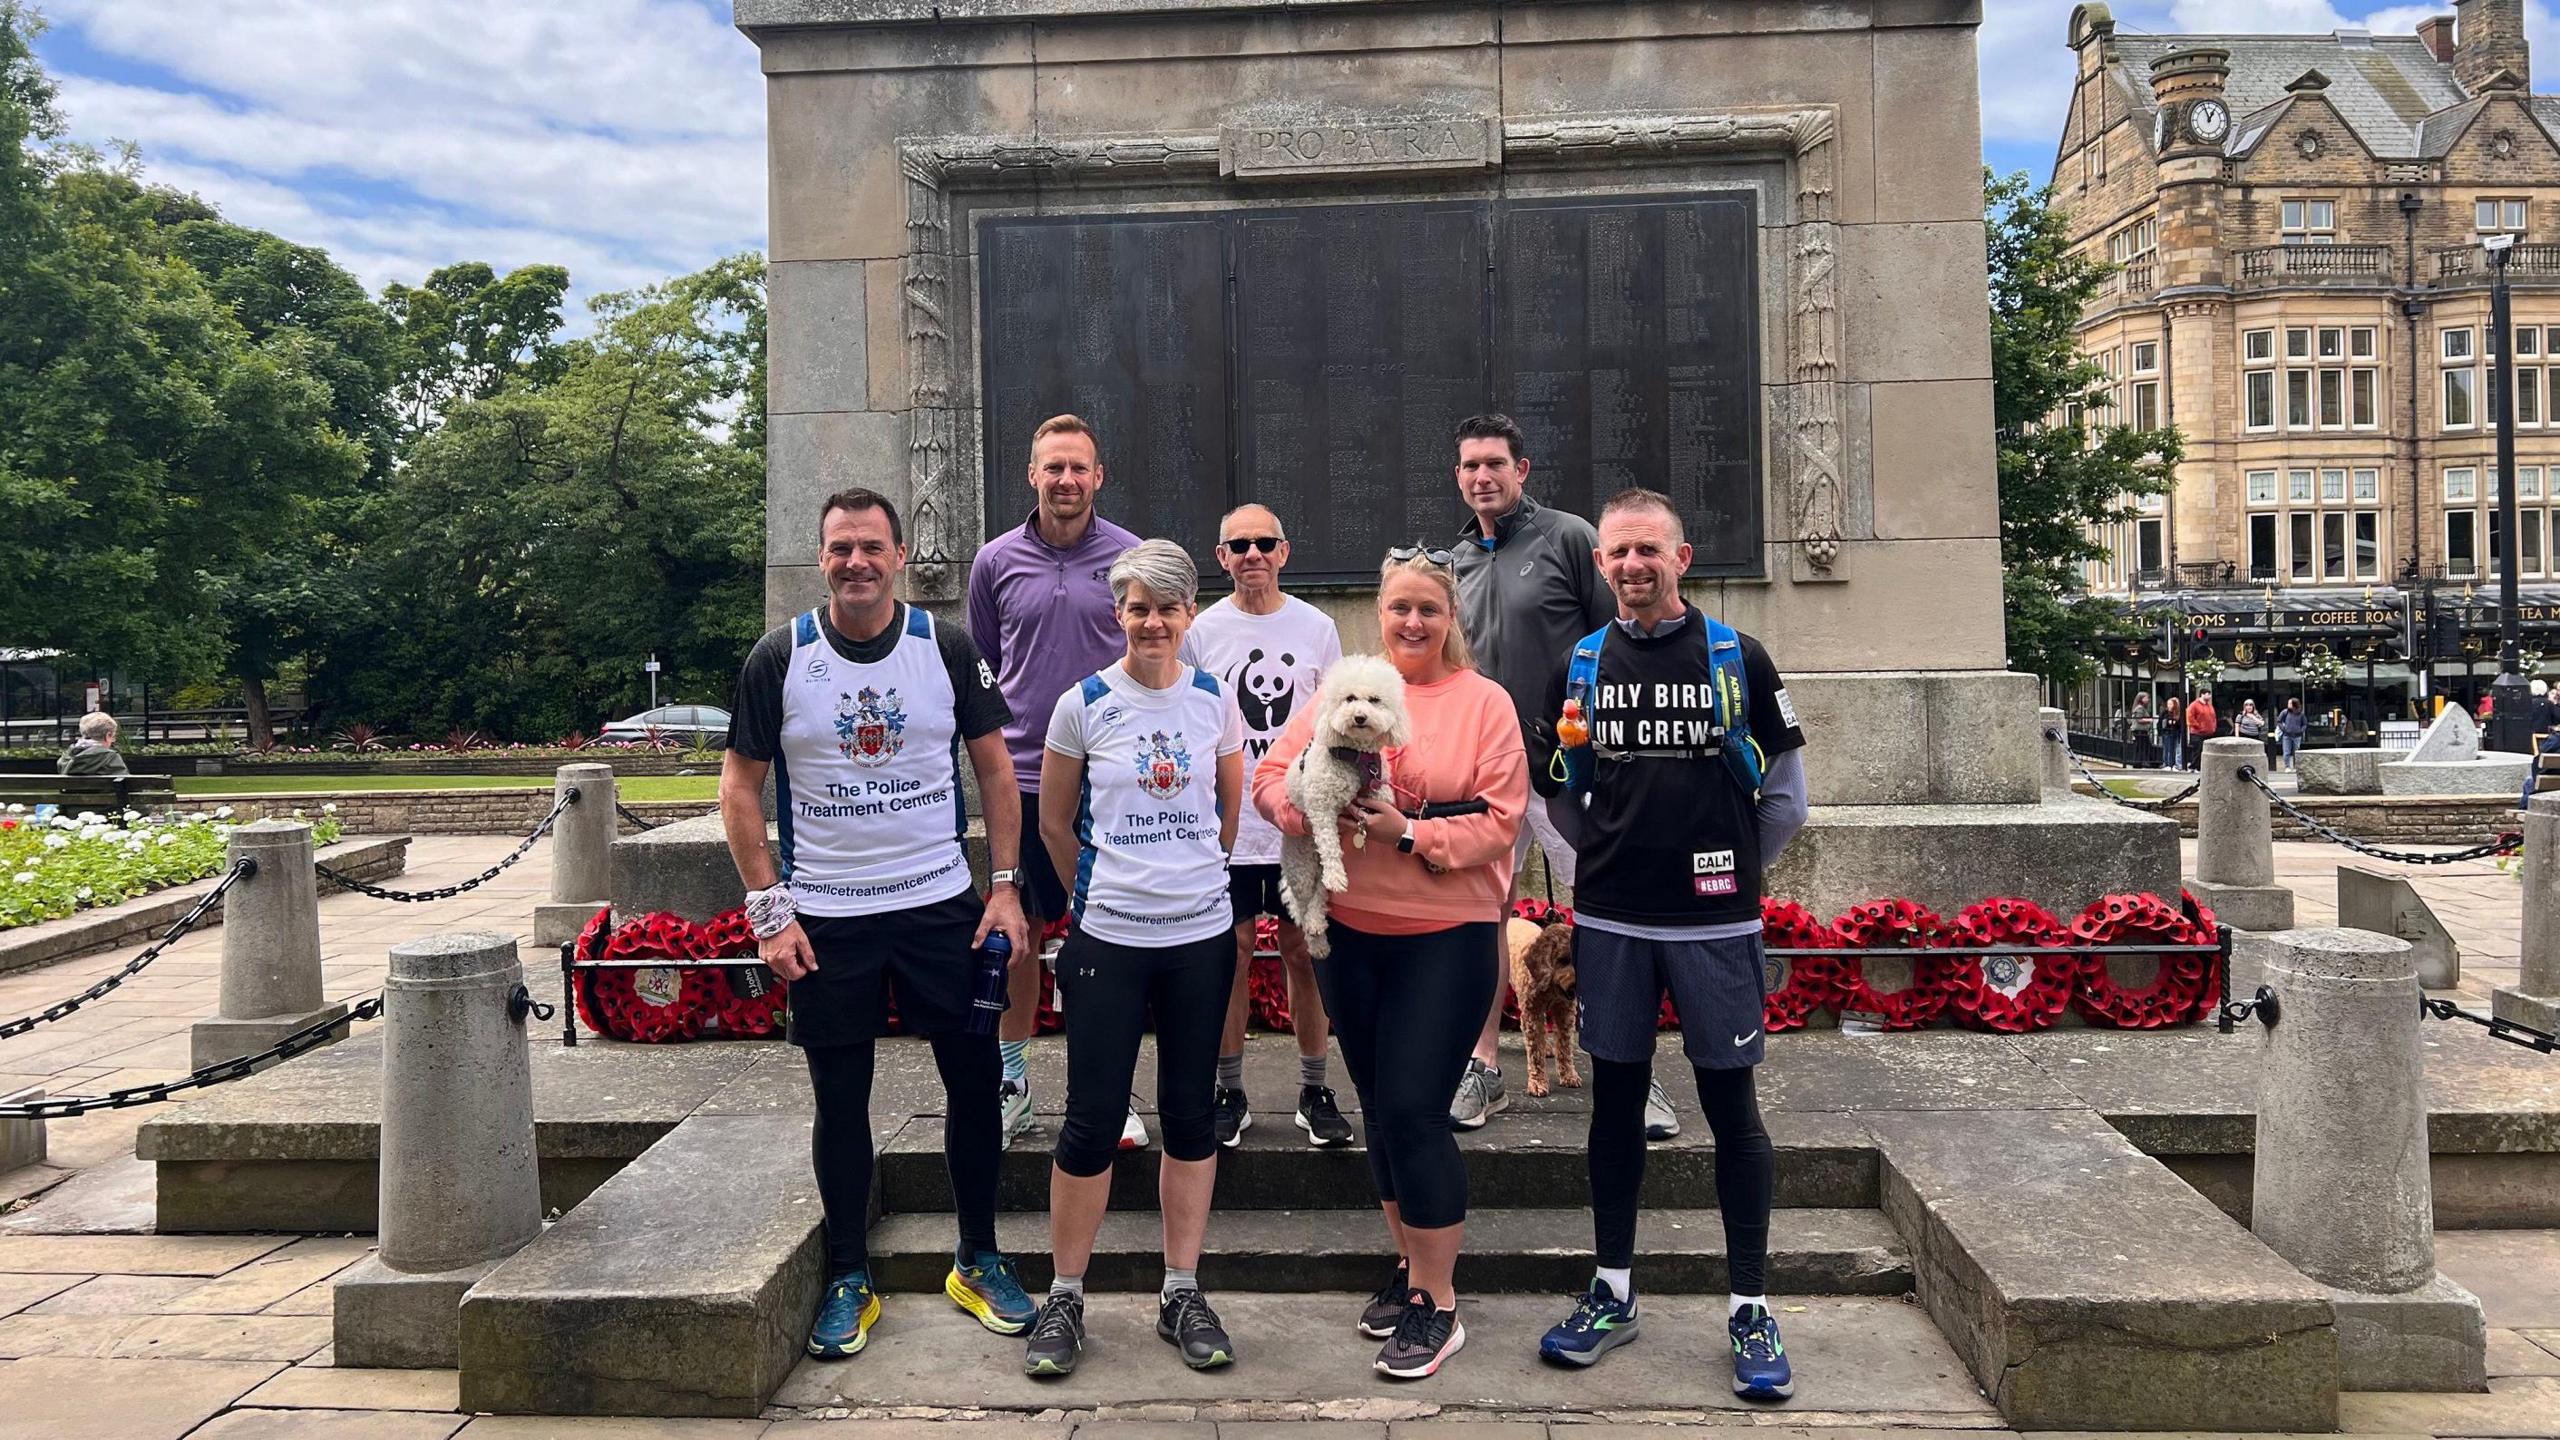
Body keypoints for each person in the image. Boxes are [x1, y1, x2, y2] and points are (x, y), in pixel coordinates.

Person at [719, 487, 1036, 1360]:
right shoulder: (781, 656)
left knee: (974, 1088)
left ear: (899, 556)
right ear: (821, 558)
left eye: (870, 547)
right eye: (839, 548)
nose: (855, 562)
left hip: (940, 908)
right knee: (840, 1102)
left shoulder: (947, 646)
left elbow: (998, 777)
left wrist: (1003, 889)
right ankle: (850, 1274)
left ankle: (978, 1257)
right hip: (829, 917)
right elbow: (739, 787)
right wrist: (770, 910)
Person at [1520, 489, 1809, 1401]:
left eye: (1648, 550)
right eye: (1616, 555)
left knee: (1733, 1113)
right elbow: (1560, 788)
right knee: (1613, 1108)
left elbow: (1789, 799)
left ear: (1682, 557)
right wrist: (1595, 865)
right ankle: (1612, 1291)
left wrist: (1724, 871)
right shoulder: (1585, 660)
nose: (1632, 567)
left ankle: (1750, 1306)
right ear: (1600, 566)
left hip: (1714, 926)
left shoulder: (1739, 657)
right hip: (1612, 924)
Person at [1254, 545, 1528, 1379]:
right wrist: (1297, 816)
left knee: (1415, 1108)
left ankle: (1440, 1308)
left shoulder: (1485, 704)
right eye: (1399, 607)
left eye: (1429, 609)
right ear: (1381, 613)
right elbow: (1271, 775)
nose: (1413, 622)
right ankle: (1411, 1267)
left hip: (1444, 935)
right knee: (1379, 1106)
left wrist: (1408, 833)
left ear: (1453, 619)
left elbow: (1501, 820)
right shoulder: (1343, 687)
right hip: (1351, 935)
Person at [1024, 540, 1246, 1379]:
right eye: (1137, 607)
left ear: (1190, 615)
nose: (1152, 622)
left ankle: (1181, 1289)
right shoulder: (1082, 704)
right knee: (1089, 1121)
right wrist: (1104, 887)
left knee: (1190, 1116)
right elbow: (1057, 822)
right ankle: (1067, 1294)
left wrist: (1185, 877)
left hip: (1196, 935)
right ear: (1116, 615)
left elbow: (1225, 817)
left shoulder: (1212, 700)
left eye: (1168, 607)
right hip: (1109, 937)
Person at [967, 414, 1147, 1152]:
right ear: (1032, 475)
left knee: (1110, 940)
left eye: (1079, 468)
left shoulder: (1133, 557)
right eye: (1053, 468)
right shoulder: (995, 561)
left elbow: (1154, 656)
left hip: (1111, 780)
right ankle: (1011, 1085)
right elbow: (981, 668)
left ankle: (1111, 1090)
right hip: (1023, 779)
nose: (1066, 481)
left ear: (1098, 476)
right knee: (1018, 938)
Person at [1445, 412, 1622, 1135]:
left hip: (1567, 766)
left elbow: (1617, 642)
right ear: (1458, 478)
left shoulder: (1570, 538)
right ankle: (1483, 1068)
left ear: (1522, 470)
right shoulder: (1451, 560)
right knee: (1484, 917)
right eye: (1469, 467)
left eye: (1495, 463)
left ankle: (1623, 1070)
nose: (1482, 476)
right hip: (1486, 773)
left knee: (1608, 910)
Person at [1179, 503, 1353, 1149]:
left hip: (1297, 823)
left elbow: (1338, 718)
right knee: (1232, 953)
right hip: (1229, 828)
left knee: (1303, 954)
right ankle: (1229, 1090)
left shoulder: (1317, 628)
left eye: (1264, 543)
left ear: (1284, 551)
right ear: (1221, 558)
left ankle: (1314, 1088)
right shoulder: (1201, 632)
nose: (1252, 554)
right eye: (1238, 545)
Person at [56, 712, 129, 776]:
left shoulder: (66, 758)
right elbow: (127, 784)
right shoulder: (110, 757)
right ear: (108, 735)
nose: (114, 740)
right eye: (113, 736)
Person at [2184, 689, 2218, 771]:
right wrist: (2198, 726)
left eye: (2210, 694)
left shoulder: (2209, 706)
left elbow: (2213, 717)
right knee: (2197, 750)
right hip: (2197, 732)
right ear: (2202, 695)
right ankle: (2193, 766)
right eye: (2207, 694)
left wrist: (2213, 727)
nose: (2209, 696)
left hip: (2208, 732)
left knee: (2205, 750)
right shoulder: (2194, 705)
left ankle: (2200, 767)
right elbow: (2189, 717)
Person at [2276, 697, 2308, 772]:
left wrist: (2301, 731)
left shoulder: (2301, 714)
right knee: (2286, 752)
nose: (2288, 704)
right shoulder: (2285, 712)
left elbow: (2304, 724)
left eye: (2290, 703)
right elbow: (2279, 721)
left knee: (2296, 752)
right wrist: (2283, 729)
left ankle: (2295, 766)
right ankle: (2287, 766)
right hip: (2287, 735)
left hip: (2297, 736)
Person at [2127, 693, 2156, 767]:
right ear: (2141, 699)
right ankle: (2143, 761)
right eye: (2146, 698)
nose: (2148, 700)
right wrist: (2149, 720)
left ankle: (2140, 762)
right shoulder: (2140, 708)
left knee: (2141, 746)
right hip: (2140, 730)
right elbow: (2139, 719)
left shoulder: (2140, 707)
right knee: (2143, 746)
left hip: (2140, 730)